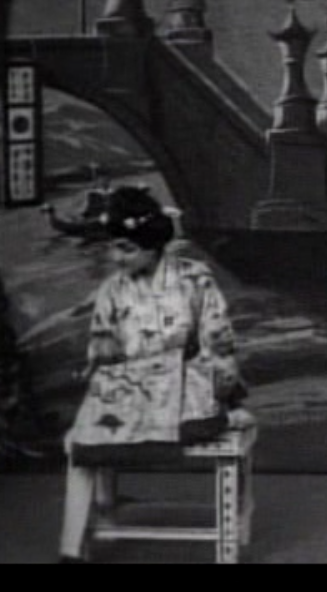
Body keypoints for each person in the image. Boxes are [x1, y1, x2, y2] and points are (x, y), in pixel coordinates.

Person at [57, 186, 246, 563]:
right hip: (130, 387)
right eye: (113, 248)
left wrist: (225, 386)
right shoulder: (112, 290)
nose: (117, 257)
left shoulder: (194, 278)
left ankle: (232, 519)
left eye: (126, 248)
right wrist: (102, 348)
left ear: (152, 244)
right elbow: (100, 341)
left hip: (187, 382)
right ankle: (72, 546)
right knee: (83, 437)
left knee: (194, 413)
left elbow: (218, 339)